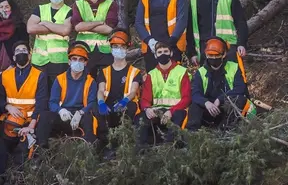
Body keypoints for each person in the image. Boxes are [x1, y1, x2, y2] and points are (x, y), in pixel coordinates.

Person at [0, 41, 47, 185]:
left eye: (24, 50)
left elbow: (42, 103)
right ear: (14, 56)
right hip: (9, 121)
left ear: (29, 55)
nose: (21, 52)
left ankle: (14, 182)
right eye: (18, 50)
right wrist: (7, 106)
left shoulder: (40, 75)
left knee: (22, 150)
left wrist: (31, 126)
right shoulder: (5, 75)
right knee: (0, 148)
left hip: (29, 122)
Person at [35, 42, 97, 148]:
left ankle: (88, 146)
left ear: (85, 63)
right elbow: (52, 102)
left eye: (81, 59)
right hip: (64, 115)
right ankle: (41, 148)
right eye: (74, 59)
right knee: (45, 116)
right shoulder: (60, 79)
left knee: (88, 118)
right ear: (69, 61)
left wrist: (81, 112)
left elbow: (92, 102)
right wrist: (60, 110)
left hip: (80, 116)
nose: (77, 62)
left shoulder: (91, 81)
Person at [188, 0, 248, 64]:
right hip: (205, 48)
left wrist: (241, 43)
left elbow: (241, 21)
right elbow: (190, 28)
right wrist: (191, 52)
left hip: (228, 48)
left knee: (230, 78)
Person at [134, 0, 189, 70]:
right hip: (151, 48)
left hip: (174, 46)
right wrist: (150, 41)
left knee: (175, 81)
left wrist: (171, 42)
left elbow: (182, 20)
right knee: (153, 82)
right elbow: (139, 23)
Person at [95, 29, 142, 160]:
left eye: (122, 47)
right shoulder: (104, 71)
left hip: (125, 105)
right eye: (115, 47)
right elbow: (100, 90)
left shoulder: (134, 72)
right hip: (108, 105)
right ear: (111, 49)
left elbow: (133, 91)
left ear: (127, 48)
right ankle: (105, 147)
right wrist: (100, 102)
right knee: (98, 112)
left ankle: (124, 146)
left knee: (130, 108)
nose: (118, 50)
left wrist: (124, 101)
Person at [189, 37, 254, 131]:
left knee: (240, 100)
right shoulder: (201, 72)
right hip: (209, 109)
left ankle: (225, 131)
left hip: (227, 108)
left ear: (224, 54)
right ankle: (193, 134)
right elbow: (195, 94)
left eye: (216, 55)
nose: (214, 58)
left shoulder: (234, 67)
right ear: (206, 55)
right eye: (210, 55)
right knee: (195, 106)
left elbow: (240, 88)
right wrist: (206, 103)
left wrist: (220, 99)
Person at [138, 42, 192, 148]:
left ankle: (170, 148)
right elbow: (145, 99)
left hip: (177, 110)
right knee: (141, 120)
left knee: (178, 118)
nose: (163, 54)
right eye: (160, 52)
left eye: (165, 51)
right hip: (157, 110)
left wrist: (171, 111)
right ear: (155, 55)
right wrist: (147, 109)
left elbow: (186, 98)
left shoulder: (181, 72)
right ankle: (142, 150)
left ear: (171, 53)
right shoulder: (151, 74)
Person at [28, 0, 73, 87]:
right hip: (39, 62)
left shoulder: (69, 11)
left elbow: (65, 30)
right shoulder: (40, 9)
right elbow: (30, 28)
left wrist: (45, 23)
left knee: (58, 93)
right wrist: (57, 28)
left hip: (59, 61)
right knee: (40, 94)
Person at [72, 0, 118, 78]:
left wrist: (86, 25)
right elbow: (77, 27)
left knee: (107, 82)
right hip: (84, 50)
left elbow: (108, 29)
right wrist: (99, 22)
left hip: (105, 51)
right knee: (85, 83)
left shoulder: (111, 4)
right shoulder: (78, 4)